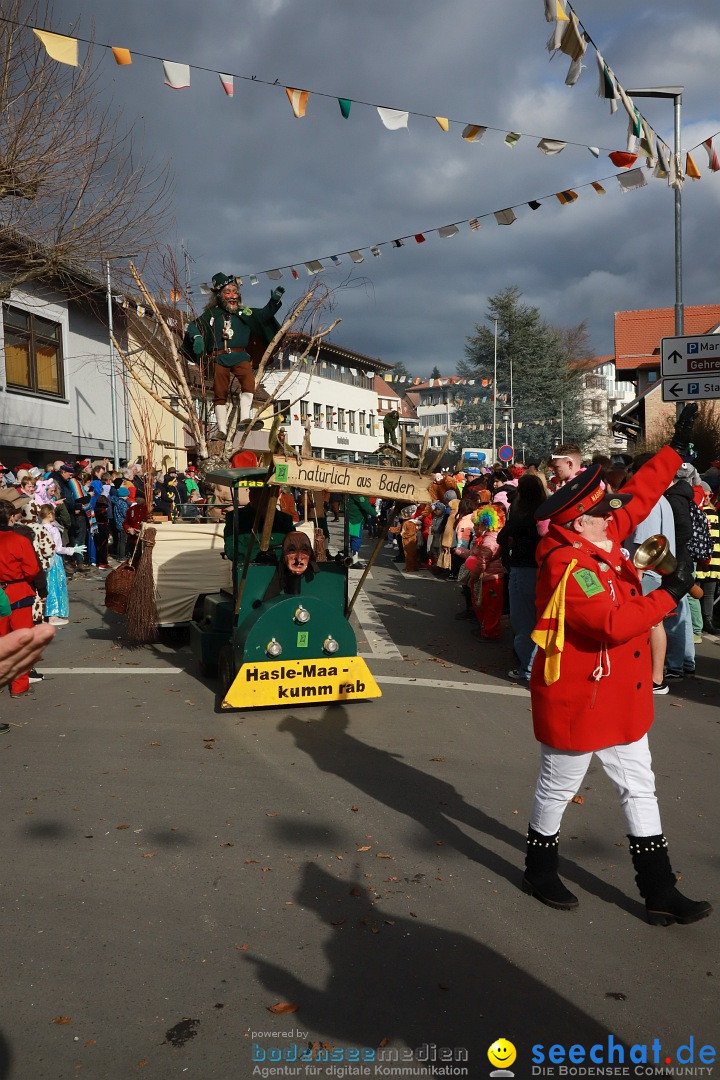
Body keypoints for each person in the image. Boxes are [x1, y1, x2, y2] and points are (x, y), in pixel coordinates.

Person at [522, 404, 711, 926]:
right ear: (579, 521)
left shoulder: (599, 536)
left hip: (619, 697)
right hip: (578, 699)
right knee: (559, 787)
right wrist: (671, 592)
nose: (618, 515)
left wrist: (676, 448)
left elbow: (641, 494)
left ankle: (658, 889)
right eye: (606, 512)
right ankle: (539, 869)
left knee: (640, 787)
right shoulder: (568, 565)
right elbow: (610, 623)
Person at [182, 272, 284, 438]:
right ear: (220, 295)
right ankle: (221, 430)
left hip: (240, 356)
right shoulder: (212, 314)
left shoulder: (244, 312)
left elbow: (264, 315)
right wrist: (198, 337)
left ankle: (245, 418)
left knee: (248, 382)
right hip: (219, 357)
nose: (232, 295)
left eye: (235, 292)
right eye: (228, 292)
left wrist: (274, 301)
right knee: (219, 393)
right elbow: (193, 326)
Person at [497, 473, 547, 685]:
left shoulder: (522, 515)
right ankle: (538, 668)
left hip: (522, 570)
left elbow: (502, 537)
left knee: (523, 624)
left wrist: (512, 539)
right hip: (543, 571)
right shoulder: (547, 512)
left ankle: (528, 671)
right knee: (540, 621)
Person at [0, 498, 46, 698]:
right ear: (11, 517)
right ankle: (19, 686)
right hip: (18, 593)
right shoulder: (20, 540)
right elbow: (31, 569)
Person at [695, 481, 720, 633]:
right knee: (700, 591)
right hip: (706, 556)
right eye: (704, 495)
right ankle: (703, 621)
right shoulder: (703, 512)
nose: (707, 498)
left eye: (709, 495)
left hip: (709, 557)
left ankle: (706, 621)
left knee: (704, 592)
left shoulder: (710, 513)